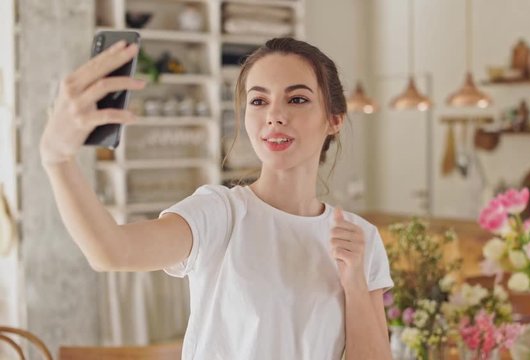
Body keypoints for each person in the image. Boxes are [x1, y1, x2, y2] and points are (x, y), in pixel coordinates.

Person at [40, 37, 394, 359]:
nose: (274, 116)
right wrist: (57, 158)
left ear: (333, 120)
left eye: (297, 99)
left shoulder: (359, 238)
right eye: (258, 100)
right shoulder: (220, 214)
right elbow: (111, 251)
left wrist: (354, 284)